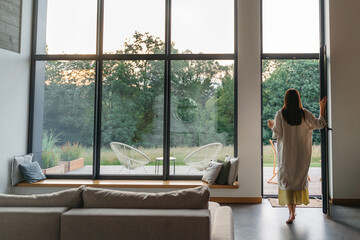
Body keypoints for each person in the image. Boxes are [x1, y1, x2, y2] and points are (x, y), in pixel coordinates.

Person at [267, 88, 327, 224]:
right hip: (301, 156)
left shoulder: (280, 114)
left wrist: (272, 125)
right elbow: (320, 124)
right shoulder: (304, 114)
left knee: (288, 183)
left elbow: (277, 134)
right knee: (297, 181)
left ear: (285, 100)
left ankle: (291, 213)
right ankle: (293, 212)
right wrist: (321, 108)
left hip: (287, 156)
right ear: (298, 100)